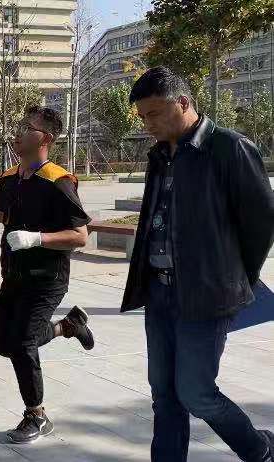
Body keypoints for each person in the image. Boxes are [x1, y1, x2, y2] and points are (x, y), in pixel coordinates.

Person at [122, 66, 274, 462]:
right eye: (142, 117)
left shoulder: (229, 148)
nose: (147, 124)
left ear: (183, 102)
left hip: (206, 295)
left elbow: (261, 224)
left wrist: (233, 278)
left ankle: (259, 449)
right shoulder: (160, 155)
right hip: (159, 293)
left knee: (196, 393)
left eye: (154, 114)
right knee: (164, 394)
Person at [0, 105, 94, 444]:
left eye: (28, 126)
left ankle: (36, 415)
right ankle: (68, 326)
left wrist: (38, 239)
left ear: (45, 138)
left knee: (23, 343)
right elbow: (2, 213)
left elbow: (80, 235)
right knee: (4, 344)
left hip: (47, 279)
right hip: (14, 274)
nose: (19, 130)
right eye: (20, 123)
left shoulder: (58, 181)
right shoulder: (10, 178)